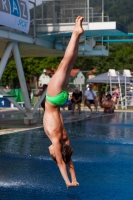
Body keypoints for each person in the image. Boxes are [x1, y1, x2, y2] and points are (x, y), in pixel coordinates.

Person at [43, 16, 84, 188]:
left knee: (70, 62)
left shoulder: (65, 139)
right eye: (52, 154)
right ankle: (76, 33)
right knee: (65, 63)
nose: (49, 151)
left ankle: (77, 33)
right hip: (53, 98)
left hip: (61, 99)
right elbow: (62, 163)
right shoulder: (55, 139)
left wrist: (75, 179)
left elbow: (69, 162)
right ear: (56, 153)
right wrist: (68, 182)